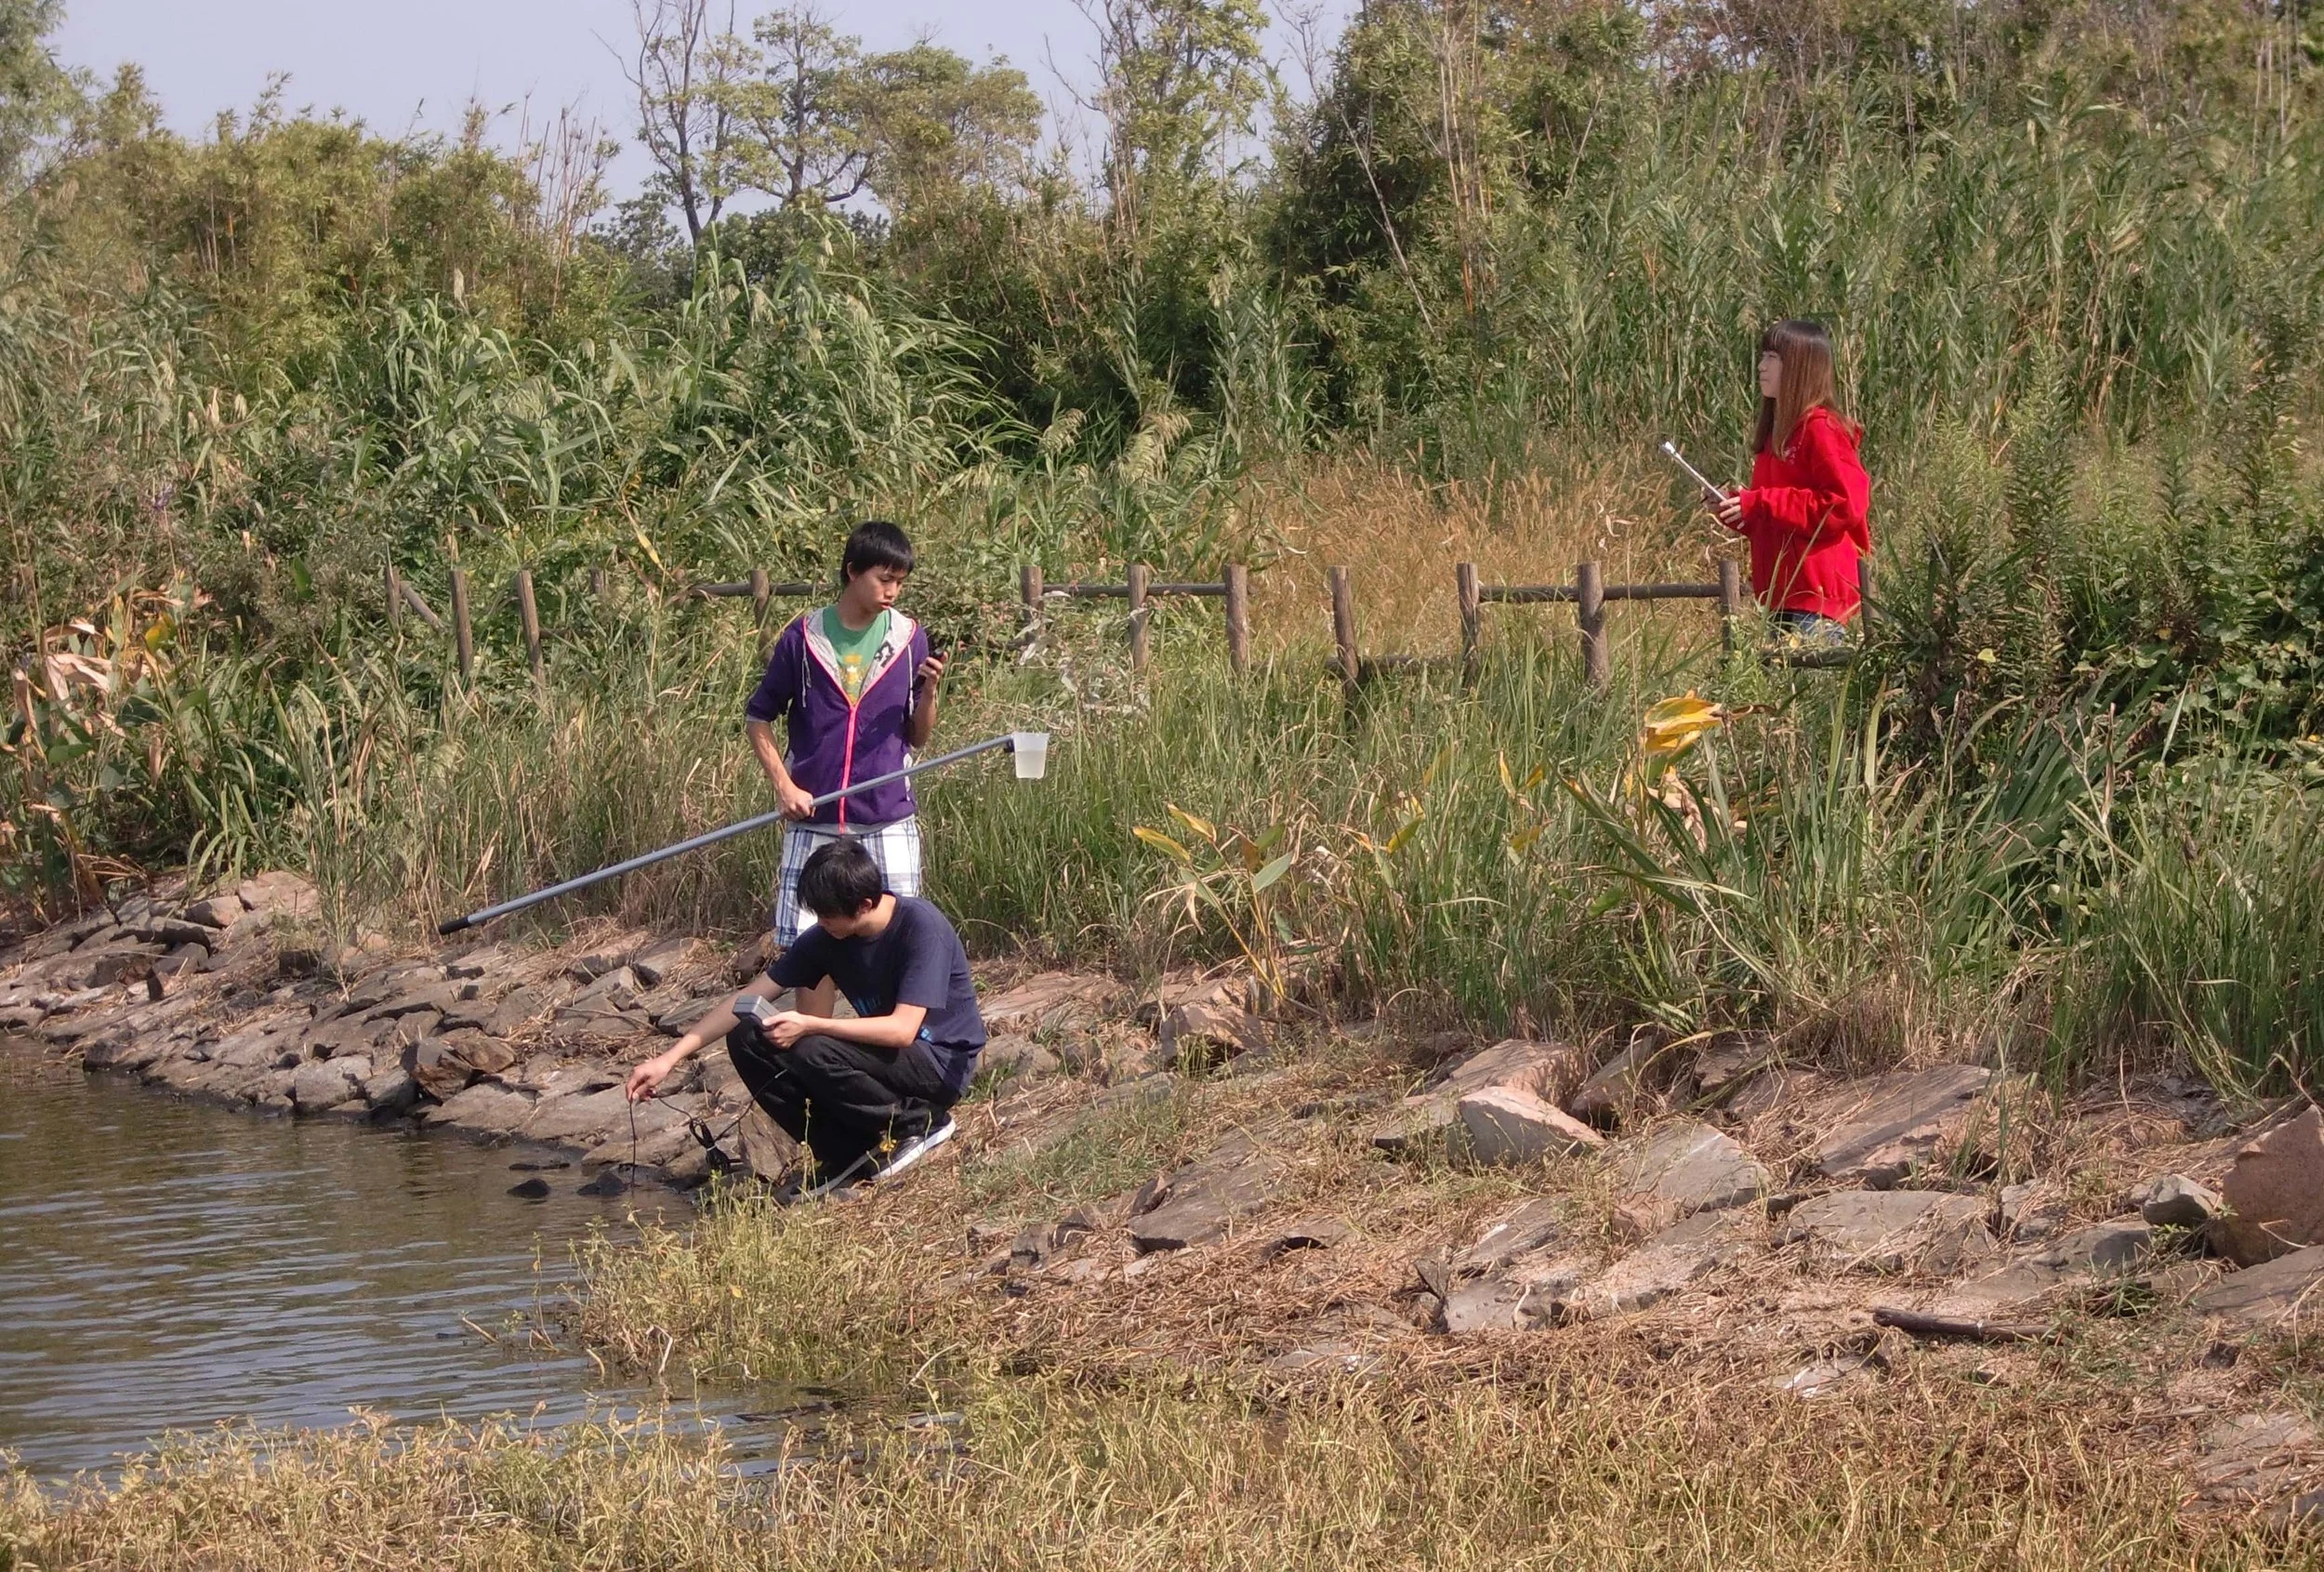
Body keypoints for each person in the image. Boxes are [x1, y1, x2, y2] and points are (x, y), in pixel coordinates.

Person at [625, 838, 986, 1195]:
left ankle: (920, 1123)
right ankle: (844, 1153)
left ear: (863, 905)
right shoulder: (827, 938)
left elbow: (903, 1030)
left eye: (828, 915)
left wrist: (811, 1024)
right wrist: (668, 1059)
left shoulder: (920, 927)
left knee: (811, 1047)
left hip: (939, 1062)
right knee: (747, 1036)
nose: (821, 923)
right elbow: (746, 998)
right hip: (890, 1060)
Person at [745, 520, 947, 945]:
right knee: (803, 947)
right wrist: (784, 786)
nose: (892, 591)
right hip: (814, 816)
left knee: (901, 942)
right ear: (853, 571)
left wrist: (929, 692)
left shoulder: (910, 639)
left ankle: (894, 1017)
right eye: (884, 579)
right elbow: (757, 717)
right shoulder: (802, 639)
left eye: (900, 582)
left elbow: (918, 736)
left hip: (887, 817)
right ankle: (809, 1016)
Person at [1711, 319, 1870, 646]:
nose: (1761, 366)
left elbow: (1844, 504)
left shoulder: (1822, 429)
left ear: (1799, 365)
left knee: (1811, 691)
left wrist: (1760, 502)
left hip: (1818, 598)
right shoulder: (1776, 436)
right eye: (1763, 356)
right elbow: (1781, 519)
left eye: (1772, 357)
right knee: (1783, 695)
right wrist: (1736, 507)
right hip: (1782, 596)